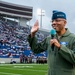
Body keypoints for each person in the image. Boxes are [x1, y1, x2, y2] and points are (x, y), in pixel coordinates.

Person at [27, 10, 75, 75]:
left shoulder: (73, 38)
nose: (54, 23)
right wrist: (32, 34)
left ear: (65, 22)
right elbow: (36, 49)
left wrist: (60, 47)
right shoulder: (49, 38)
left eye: (57, 20)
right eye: (52, 21)